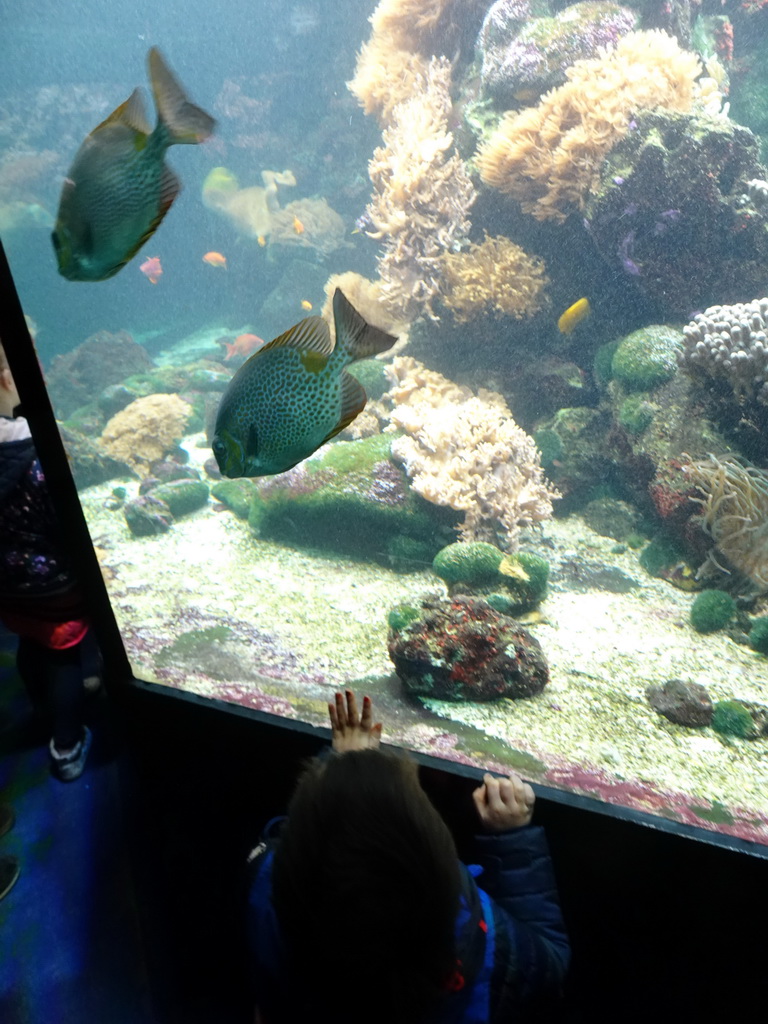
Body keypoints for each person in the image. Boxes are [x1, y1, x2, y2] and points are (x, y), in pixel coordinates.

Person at [246, 690, 570, 1024]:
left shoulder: (268, 888)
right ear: (448, 870)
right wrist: (512, 839)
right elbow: (551, 959)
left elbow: (302, 840)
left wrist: (346, 772)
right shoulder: (474, 934)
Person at [0, 340, 98, 781]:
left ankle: (39, 707)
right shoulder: (36, 458)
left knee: (28, 643)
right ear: (8, 379)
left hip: (6, 585)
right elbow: (63, 526)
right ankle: (66, 747)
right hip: (54, 586)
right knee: (63, 656)